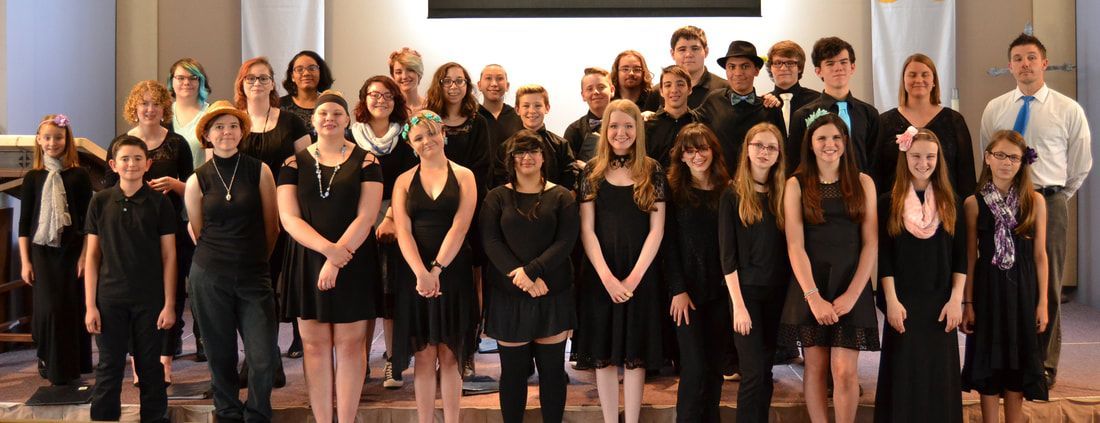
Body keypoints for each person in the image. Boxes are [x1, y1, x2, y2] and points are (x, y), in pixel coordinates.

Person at [979, 33, 1092, 387]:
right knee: (1004, 281)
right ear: (1010, 66)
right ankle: (1009, 360)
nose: (1025, 64)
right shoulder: (995, 109)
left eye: (1032, 57)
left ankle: (1044, 364)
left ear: (1043, 63)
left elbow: (1080, 165)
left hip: (1047, 200)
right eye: (1018, 58)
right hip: (1001, 203)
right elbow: (988, 152)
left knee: (1047, 280)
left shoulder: (1067, 109)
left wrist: (1050, 198)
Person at [277, 91, 383, 423]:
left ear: (348, 120)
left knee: (351, 345)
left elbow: (367, 217)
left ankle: (347, 419)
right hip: (308, 261)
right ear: (314, 119)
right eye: (323, 113)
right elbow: (289, 218)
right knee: (314, 345)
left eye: (337, 113)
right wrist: (328, 252)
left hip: (354, 260)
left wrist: (338, 258)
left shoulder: (367, 161)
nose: (330, 118)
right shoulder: (293, 163)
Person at [778, 112, 879, 423]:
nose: (829, 144)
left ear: (845, 143)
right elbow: (795, 245)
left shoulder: (863, 182)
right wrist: (813, 296)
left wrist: (852, 294)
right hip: (811, 285)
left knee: (845, 370)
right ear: (810, 144)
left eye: (836, 138)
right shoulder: (796, 184)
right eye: (822, 138)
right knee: (817, 368)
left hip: (852, 284)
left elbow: (870, 243)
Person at [184, 101, 281, 422]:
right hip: (209, 276)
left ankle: (257, 414)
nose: (226, 132)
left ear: (241, 132)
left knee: (262, 355)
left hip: (254, 275)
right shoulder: (198, 179)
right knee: (219, 352)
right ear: (207, 135)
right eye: (219, 127)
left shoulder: (260, 170)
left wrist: (254, 260)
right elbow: (197, 229)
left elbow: (272, 226)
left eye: (232, 126)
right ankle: (226, 412)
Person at [573, 99, 667, 423]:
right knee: (604, 354)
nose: (621, 132)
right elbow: (587, 230)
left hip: (640, 272)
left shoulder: (651, 169)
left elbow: (657, 230)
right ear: (605, 130)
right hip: (602, 273)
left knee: (635, 355)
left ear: (638, 130)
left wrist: (632, 279)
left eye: (628, 126)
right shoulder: (591, 171)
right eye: (614, 126)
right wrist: (608, 279)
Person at [481, 132, 578, 423]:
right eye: (520, 153)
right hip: (509, 295)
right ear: (510, 160)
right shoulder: (496, 197)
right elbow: (491, 241)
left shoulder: (561, 196)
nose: (527, 157)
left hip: (552, 293)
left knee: (551, 373)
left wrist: (532, 272)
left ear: (543, 157)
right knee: (512, 374)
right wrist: (521, 277)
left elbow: (566, 242)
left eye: (533, 151)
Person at [391, 110, 480, 423]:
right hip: (414, 275)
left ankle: (453, 419)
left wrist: (437, 270)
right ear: (411, 145)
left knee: (451, 353)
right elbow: (402, 230)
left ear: (443, 134)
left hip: (452, 271)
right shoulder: (403, 181)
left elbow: (460, 225)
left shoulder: (464, 175)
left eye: (431, 134)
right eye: (419, 137)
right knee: (424, 355)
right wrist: (420, 272)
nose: (426, 141)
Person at [875, 128, 965, 422]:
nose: (923, 162)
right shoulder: (888, 202)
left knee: (939, 375)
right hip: (903, 301)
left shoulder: (952, 201)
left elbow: (960, 257)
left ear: (939, 159)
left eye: (930, 156)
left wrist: (956, 300)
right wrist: (890, 301)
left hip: (940, 301)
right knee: (903, 373)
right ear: (905, 157)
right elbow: (885, 258)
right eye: (916, 156)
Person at [84, 135, 177, 423]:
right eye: (125, 158)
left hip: (150, 300)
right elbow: (92, 257)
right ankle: (103, 418)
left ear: (148, 163)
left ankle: (155, 417)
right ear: (113, 164)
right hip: (110, 299)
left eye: (138, 158)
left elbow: (169, 257)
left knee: (150, 366)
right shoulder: (100, 201)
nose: (131, 164)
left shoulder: (159, 203)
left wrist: (170, 304)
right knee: (109, 365)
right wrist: (90, 305)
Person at [107, 80, 193, 385]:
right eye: (143, 103)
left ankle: (165, 360)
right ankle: (138, 362)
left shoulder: (178, 143)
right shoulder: (120, 144)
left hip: (171, 230)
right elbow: (108, 190)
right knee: (134, 295)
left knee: (171, 294)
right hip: (131, 235)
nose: (150, 109)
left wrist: (174, 185)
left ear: (164, 108)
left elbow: (192, 189)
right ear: (134, 108)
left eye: (156, 103)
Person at [962, 129, 1050, 422]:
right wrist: (968, 303)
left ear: (1022, 162)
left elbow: (1040, 256)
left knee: (1018, 363)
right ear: (987, 158)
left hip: (1023, 291)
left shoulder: (1035, 201)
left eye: (1013, 157)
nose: (1006, 162)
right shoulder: (973, 204)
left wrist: (1043, 304)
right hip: (989, 291)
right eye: (999, 155)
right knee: (989, 360)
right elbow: (971, 259)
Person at [236, 56, 311, 363]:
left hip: (287, 208)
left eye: (263, 78)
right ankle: (262, 348)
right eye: (251, 78)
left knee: (290, 272)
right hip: (244, 214)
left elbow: (308, 164)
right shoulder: (232, 120)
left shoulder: (291, 121)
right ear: (242, 83)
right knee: (256, 279)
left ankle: (298, 335)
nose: (257, 83)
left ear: (273, 83)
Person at [350, 75, 418, 389]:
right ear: (364, 99)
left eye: (388, 96)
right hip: (357, 221)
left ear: (396, 102)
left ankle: (393, 362)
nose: (381, 100)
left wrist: (390, 216)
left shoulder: (405, 140)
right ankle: (360, 364)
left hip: (394, 220)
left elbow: (409, 181)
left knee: (392, 295)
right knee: (362, 295)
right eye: (374, 94)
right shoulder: (350, 138)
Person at [721, 122, 791, 422]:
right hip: (745, 294)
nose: (764, 152)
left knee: (766, 370)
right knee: (751, 372)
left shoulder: (785, 193)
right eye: (758, 145)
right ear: (747, 150)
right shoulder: (732, 194)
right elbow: (727, 257)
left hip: (778, 294)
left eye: (771, 147)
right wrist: (738, 306)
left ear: (778, 154)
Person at [663, 123, 733, 422]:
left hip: (720, 290)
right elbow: (667, 245)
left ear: (713, 150)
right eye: (689, 150)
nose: (696, 156)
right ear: (680, 155)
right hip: (686, 293)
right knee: (693, 366)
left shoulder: (727, 189)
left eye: (702, 148)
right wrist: (678, 289)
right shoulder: (673, 190)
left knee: (716, 365)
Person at [20, 114, 93, 386]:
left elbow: (88, 222)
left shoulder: (79, 176)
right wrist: (26, 262)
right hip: (42, 252)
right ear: (39, 141)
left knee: (70, 307)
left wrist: (85, 255)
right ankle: (48, 359)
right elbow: (25, 223)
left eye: (58, 137)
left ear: (67, 140)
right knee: (48, 309)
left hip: (72, 252)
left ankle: (71, 366)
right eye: (47, 138)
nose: (53, 143)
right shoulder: (33, 178)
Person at [876, 54, 976, 196]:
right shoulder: (884, 122)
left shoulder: (954, 121)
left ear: (934, 80)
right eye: (912, 75)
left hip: (946, 207)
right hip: (895, 207)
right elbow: (877, 171)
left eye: (925, 75)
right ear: (903, 80)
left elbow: (966, 174)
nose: (919, 80)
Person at [787, 37, 880, 176]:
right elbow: (795, 163)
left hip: (861, 190)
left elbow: (875, 162)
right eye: (830, 63)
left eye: (843, 62)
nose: (838, 68)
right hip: (818, 191)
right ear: (818, 71)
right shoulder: (803, 115)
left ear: (852, 67)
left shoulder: (869, 113)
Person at [696, 40, 787, 176]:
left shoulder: (769, 107)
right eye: (732, 67)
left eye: (745, 66)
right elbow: (688, 120)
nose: (738, 73)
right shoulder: (714, 100)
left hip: (760, 185)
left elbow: (782, 152)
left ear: (756, 70)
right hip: (721, 183)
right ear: (726, 70)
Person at [503, 85, 577, 188]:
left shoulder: (561, 145)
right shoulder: (506, 147)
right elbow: (501, 181)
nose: (532, 111)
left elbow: (570, 178)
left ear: (547, 108)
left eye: (537, 106)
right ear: (517, 110)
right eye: (526, 106)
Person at [643, 25, 727, 111]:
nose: (688, 55)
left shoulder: (725, 89)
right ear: (672, 53)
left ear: (706, 51)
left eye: (695, 48)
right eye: (682, 49)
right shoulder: (657, 92)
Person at [477, 64, 524, 184]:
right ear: (479, 85)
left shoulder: (519, 117)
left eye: (499, 78)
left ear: (507, 86)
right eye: (488, 78)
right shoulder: (471, 117)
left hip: (514, 186)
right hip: (478, 186)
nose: (494, 83)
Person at [645, 66, 698, 168]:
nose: (674, 90)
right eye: (668, 85)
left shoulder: (698, 122)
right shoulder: (647, 125)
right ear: (661, 91)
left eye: (680, 84)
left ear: (690, 89)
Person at [166, 58, 213, 170]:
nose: (186, 82)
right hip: (167, 186)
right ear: (171, 81)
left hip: (201, 185)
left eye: (193, 78)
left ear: (201, 81)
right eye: (180, 78)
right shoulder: (162, 115)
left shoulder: (211, 114)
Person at [766, 41, 820, 135]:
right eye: (778, 63)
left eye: (790, 63)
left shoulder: (818, 101)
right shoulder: (764, 104)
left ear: (799, 67)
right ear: (771, 68)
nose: (783, 68)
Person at [564, 67, 614, 164]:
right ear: (583, 95)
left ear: (612, 90)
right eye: (589, 89)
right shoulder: (574, 130)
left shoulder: (628, 124)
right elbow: (570, 167)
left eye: (601, 87)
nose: (595, 92)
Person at [280, 50, 336, 135]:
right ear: (292, 76)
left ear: (320, 73)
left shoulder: (332, 104)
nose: (306, 73)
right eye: (299, 69)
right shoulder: (278, 105)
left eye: (312, 68)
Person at [390, 47, 427, 113]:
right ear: (393, 76)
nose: (404, 76)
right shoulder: (389, 108)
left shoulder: (432, 107)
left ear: (419, 73)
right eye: (398, 72)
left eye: (410, 70)